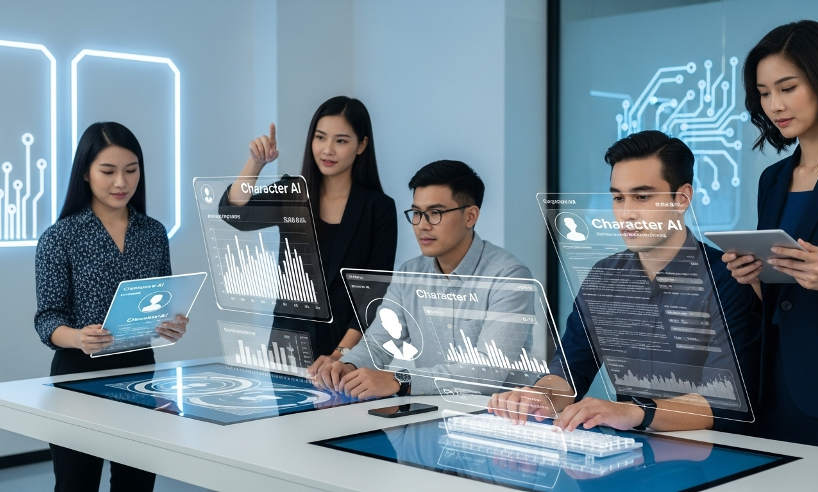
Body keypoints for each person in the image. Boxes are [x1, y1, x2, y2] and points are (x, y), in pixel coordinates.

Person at [489, 131, 758, 433]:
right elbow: (569, 371)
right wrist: (539, 396)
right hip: (631, 454)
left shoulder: (728, 280)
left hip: (717, 459)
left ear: (681, 199)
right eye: (618, 198)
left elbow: (726, 403)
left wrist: (634, 411)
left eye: (642, 197)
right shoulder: (604, 277)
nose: (626, 214)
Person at [723, 20, 818, 454]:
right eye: (764, 92)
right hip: (773, 390)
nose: (774, 104)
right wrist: (752, 278)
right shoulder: (773, 179)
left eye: (787, 87)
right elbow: (777, 296)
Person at [34, 122, 188, 491]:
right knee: (76, 484)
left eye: (131, 170)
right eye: (108, 171)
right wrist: (77, 337)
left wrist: (173, 325)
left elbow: (161, 301)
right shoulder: (60, 237)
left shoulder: (153, 233)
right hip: (77, 376)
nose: (121, 182)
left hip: (139, 375)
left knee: (136, 483)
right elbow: (47, 319)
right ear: (85, 173)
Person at [309, 160, 534, 398]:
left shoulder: (508, 276)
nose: (421, 226)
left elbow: (488, 372)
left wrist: (401, 380)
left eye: (435, 213)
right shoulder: (410, 274)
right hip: (431, 415)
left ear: (470, 216)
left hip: (498, 419)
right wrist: (349, 365)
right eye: (416, 213)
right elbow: (377, 343)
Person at [221, 96, 397, 358]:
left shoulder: (378, 208)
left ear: (361, 145)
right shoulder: (293, 193)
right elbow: (235, 214)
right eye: (320, 137)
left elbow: (373, 296)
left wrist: (340, 355)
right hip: (287, 347)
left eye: (341, 141)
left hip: (348, 352)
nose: (327, 150)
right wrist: (255, 163)